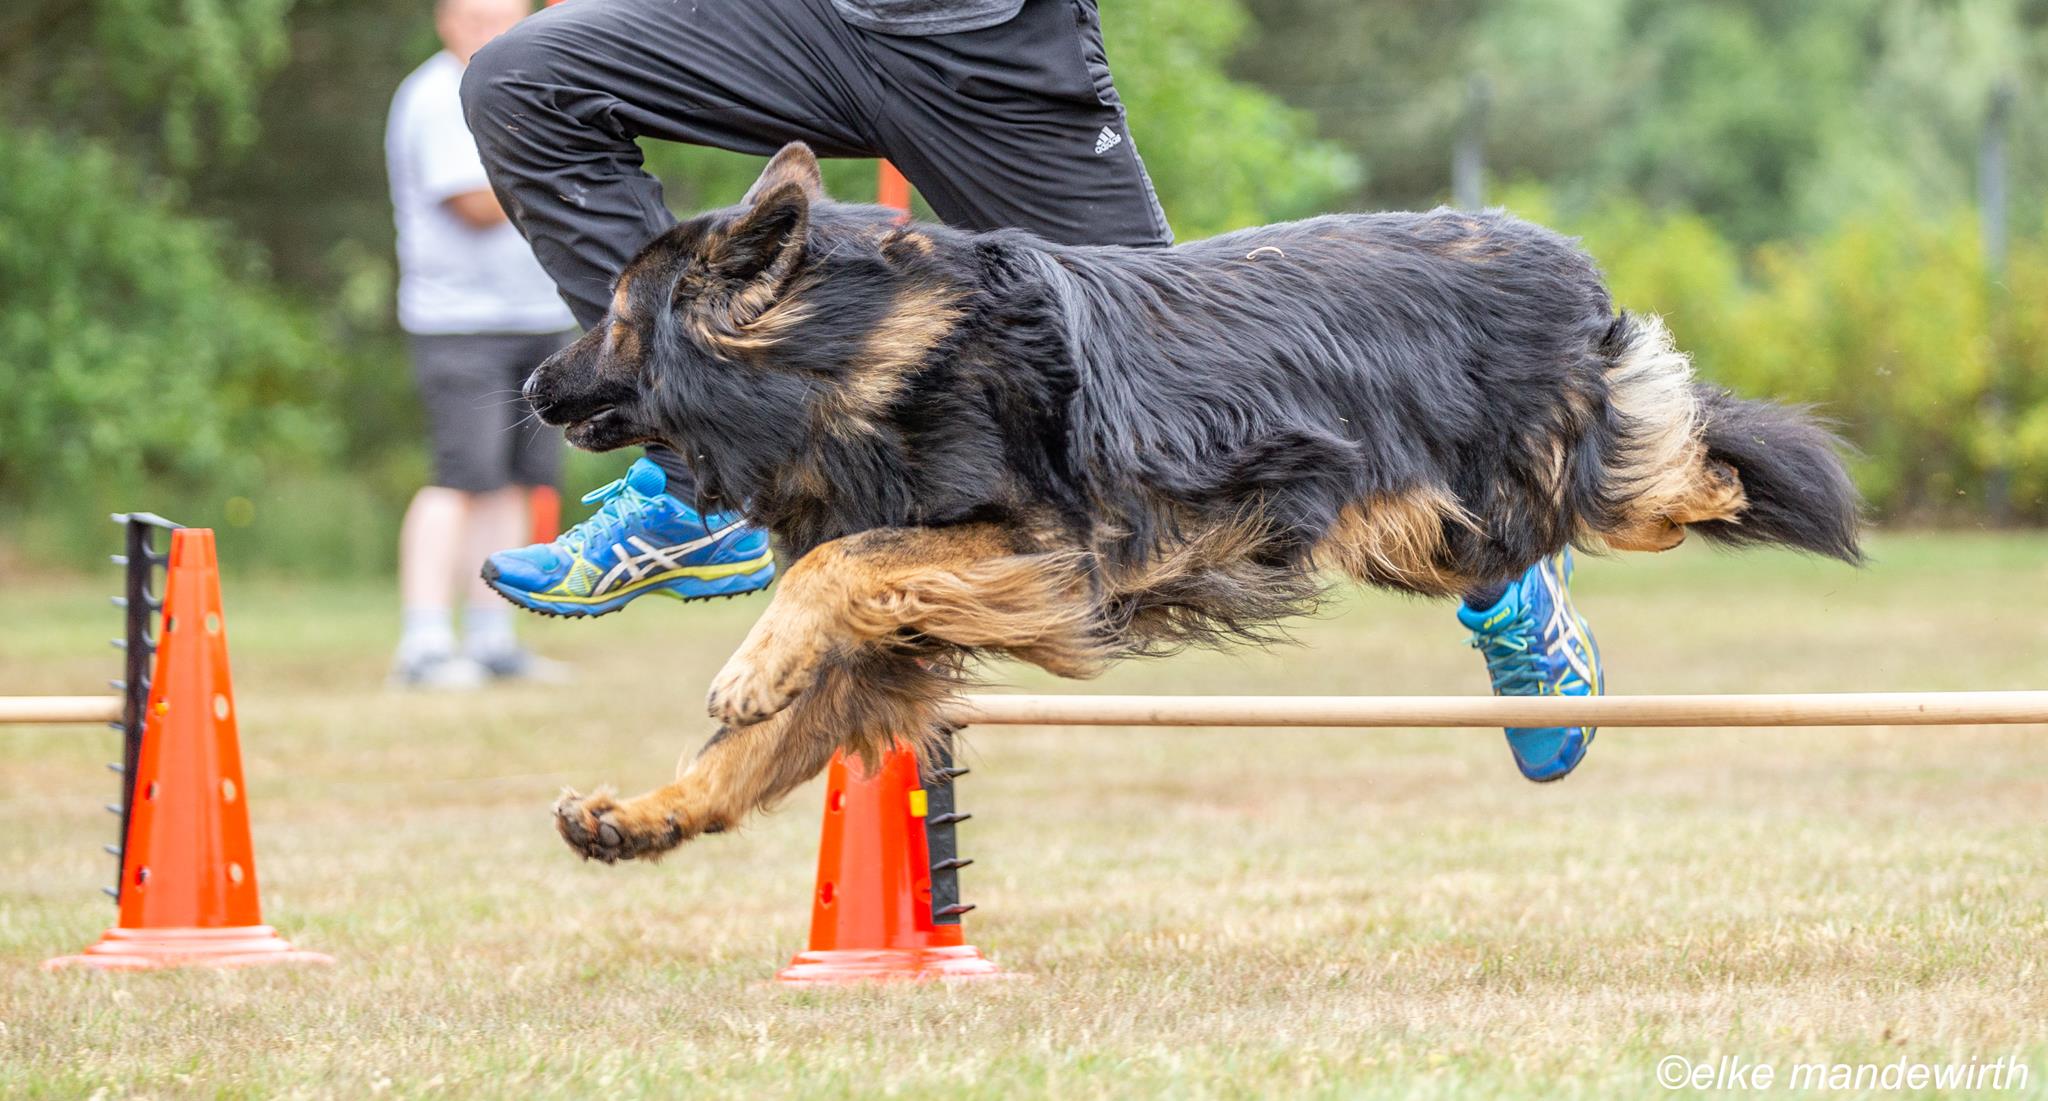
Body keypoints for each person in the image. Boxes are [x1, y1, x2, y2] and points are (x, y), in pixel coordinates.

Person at [460, 0, 1603, 780]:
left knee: (1178, 397)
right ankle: (701, 478)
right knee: (526, 79)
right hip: (811, 21)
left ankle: (1503, 555)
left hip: (993, 46)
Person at [384, 0, 575, 688]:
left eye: (500, 14)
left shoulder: (526, 81)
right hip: (460, 324)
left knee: (516, 483)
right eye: (472, 15)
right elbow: (472, 203)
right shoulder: (437, 94)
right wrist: (558, 168)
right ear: (444, 20)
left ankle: (493, 637)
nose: (487, 28)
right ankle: (425, 642)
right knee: (460, 478)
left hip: (537, 313)